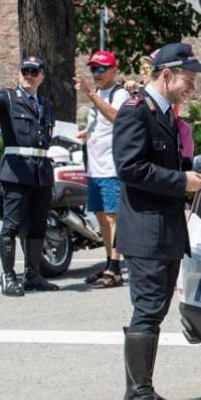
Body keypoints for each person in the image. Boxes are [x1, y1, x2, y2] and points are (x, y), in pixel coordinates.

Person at [113, 43, 201, 400]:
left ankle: (140, 390)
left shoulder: (164, 113)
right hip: (146, 230)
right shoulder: (136, 110)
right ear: (166, 75)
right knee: (147, 310)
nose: (192, 87)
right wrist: (182, 182)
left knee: (153, 310)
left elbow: (162, 164)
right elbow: (129, 168)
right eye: (188, 79)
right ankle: (139, 393)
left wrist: (197, 164)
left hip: (163, 228)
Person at [0, 55, 59, 296]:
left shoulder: (46, 104)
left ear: (41, 76)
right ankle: (8, 276)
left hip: (41, 171)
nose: (28, 75)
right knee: (11, 224)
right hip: (16, 171)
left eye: (34, 71)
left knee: (38, 225)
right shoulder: (8, 98)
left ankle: (32, 274)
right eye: (25, 71)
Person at [75, 51, 130, 288]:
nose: (96, 73)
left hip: (111, 166)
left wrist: (88, 94)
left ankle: (116, 267)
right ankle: (109, 262)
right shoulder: (97, 93)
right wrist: (85, 134)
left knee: (112, 217)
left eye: (101, 69)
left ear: (113, 70)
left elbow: (117, 118)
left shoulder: (120, 94)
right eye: (93, 69)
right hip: (95, 167)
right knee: (100, 217)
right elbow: (99, 126)